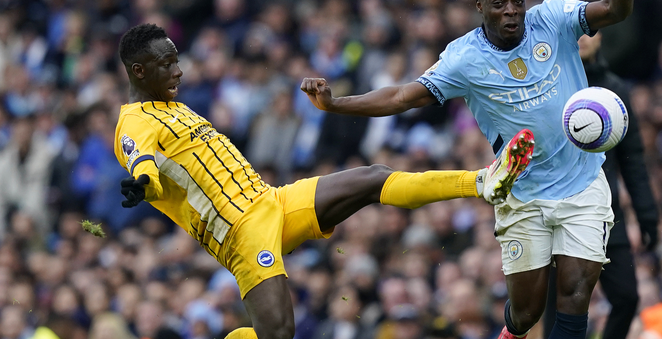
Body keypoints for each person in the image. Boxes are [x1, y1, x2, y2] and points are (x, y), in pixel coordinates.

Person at [301, 0, 641, 339]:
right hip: (521, 190)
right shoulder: (464, 58)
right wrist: (336, 104)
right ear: (480, 6)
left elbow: (613, 10)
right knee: (527, 311)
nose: (512, 10)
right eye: (499, 4)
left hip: (583, 184)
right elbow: (402, 96)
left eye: (518, 1)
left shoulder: (552, 19)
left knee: (575, 291)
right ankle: (510, 331)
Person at [113, 23, 535, 339]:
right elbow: (142, 162)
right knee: (278, 334)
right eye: (166, 63)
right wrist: (143, 183)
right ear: (138, 70)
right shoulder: (133, 122)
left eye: (176, 59)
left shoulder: (174, 106)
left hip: (271, 202)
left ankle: (483, 180)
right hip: (240, 232)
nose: (178, 70)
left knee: (372, 178)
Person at [541, 31, 660, 339]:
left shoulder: (615, 89)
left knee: (627, 297)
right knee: (556, 302)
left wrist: (647, 213)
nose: (582, 38)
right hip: (559, 213)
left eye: (589, 31)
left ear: (601, 37)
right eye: (574, 32)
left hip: (607, 213)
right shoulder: (548, 88)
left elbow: (632, 157)